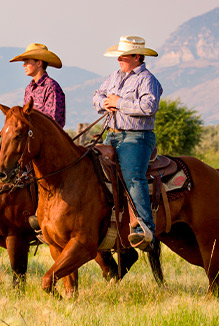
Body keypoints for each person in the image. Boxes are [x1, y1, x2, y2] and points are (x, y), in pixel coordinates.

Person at [92, 35, 163, 250]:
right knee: (93, 170)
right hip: (112, 134)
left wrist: (119, 103)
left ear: (137, 56)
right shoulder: (114, 76)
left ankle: (144, 229)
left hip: (137, 137)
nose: (119, 59)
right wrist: (105, 103)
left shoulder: (147, 79)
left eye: (123, 55)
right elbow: (97, 95)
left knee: (133, 177)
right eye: (119, 55)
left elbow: (149, 107)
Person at [10, 43, 66, 127]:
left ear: (39, 63)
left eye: (27, 62)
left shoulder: (51, 87)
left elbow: (51, 122)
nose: (24, 65)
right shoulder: (29, 89)